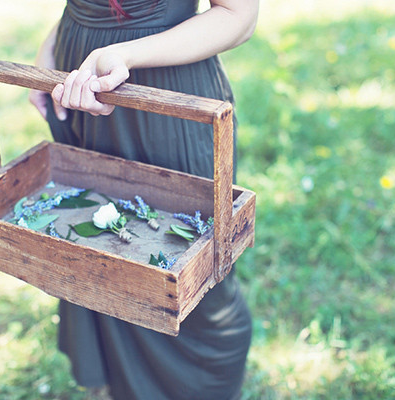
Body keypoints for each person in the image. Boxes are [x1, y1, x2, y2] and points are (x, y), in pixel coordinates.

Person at [29, 1, 258, 399]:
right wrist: (50, 48)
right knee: (95, 250)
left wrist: (124, 54)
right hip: (81, 81)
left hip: (164, 90)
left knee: (186, 269)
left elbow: (239, 16)